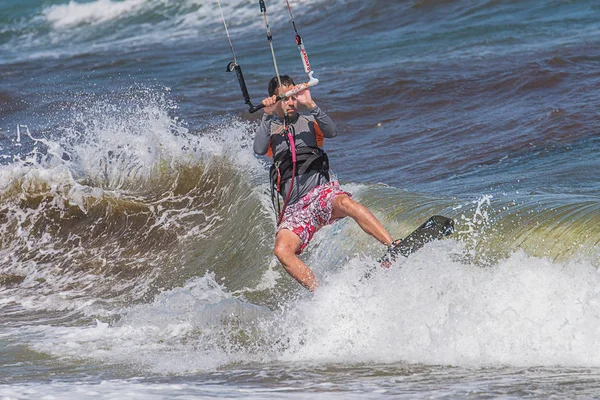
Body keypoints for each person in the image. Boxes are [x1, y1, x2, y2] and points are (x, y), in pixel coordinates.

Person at [254, 75, 397, 292]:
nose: (291, 103)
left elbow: (332, 131)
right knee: (281, 250)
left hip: (321, 193)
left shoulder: (310, 122)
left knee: (346, 203)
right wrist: (267, 114)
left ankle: (392, 245)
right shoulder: (271, 131)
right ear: (275, 100)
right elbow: (258, 148)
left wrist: (310, 104)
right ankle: (321, 293)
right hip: (295, 208)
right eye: (285, 98)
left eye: (294, 97)